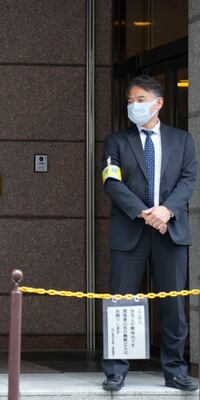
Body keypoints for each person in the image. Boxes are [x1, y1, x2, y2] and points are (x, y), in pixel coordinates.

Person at [100, 75, 198, 391]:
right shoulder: (116, 142)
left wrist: (166, 210)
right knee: (121, 300)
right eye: (130, 101)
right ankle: (115, 371)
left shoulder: (182, 140)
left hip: (171, 230)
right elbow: (111, 182)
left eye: (140, 100)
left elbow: (188, 180)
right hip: (131, 230)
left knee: (172, 304)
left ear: (158, 103)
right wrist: (145, 213)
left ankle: (175, 371)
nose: (134, 106)